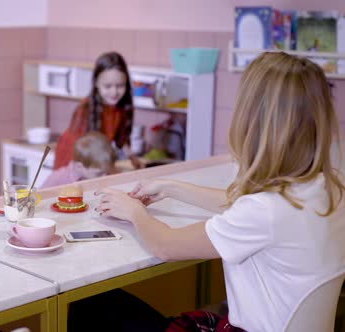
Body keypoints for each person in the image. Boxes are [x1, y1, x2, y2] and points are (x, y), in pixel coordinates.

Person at [74, 51, 345, 331]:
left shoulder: (265, 211)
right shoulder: (329, 190)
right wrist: (171, 187)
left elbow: (165, 246)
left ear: (252, 122)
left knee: (89, 305)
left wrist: (135, 212)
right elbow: (241, 207)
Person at [53, 51, 141, 171]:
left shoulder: (121, 107)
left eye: (120, 86)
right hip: (74, 158)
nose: (114, 92)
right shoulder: (85, 108)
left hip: (94, 161)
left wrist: (133, 159)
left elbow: (121, 139)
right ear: (96, 83)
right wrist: (109, 170)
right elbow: (82, 151)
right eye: (108, 86)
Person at [41, 131, 116, 188]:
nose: (105, 176)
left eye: (106, 172)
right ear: (79, 166)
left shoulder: (92, 173)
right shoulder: (59, 178)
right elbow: (38, 197)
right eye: (99, 174)